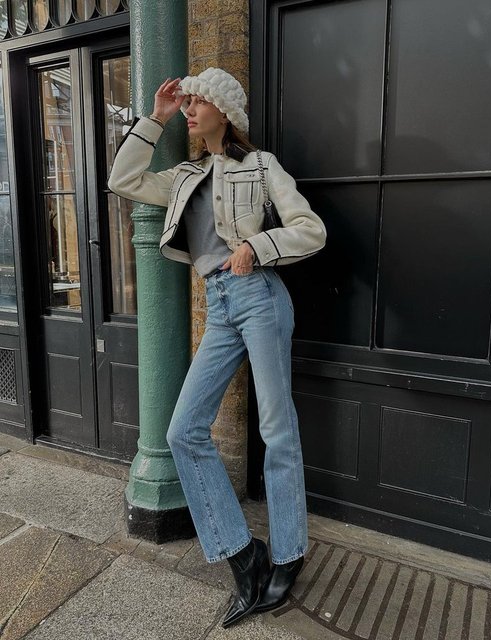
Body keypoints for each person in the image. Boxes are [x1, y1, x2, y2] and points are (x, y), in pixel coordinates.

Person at [107, 67, 327, 628]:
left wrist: (258, 245)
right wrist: (155, 118)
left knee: (277, 429)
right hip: (221, 305)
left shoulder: (261, 166)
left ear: (224, 112)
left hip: (259, 297)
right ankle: (242, 552)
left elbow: (311, 229)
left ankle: (289, 552)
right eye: (186, 104)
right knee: (183, 431)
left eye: (197, 102)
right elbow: (123, 179)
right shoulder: (184, 176)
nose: (189, 110)